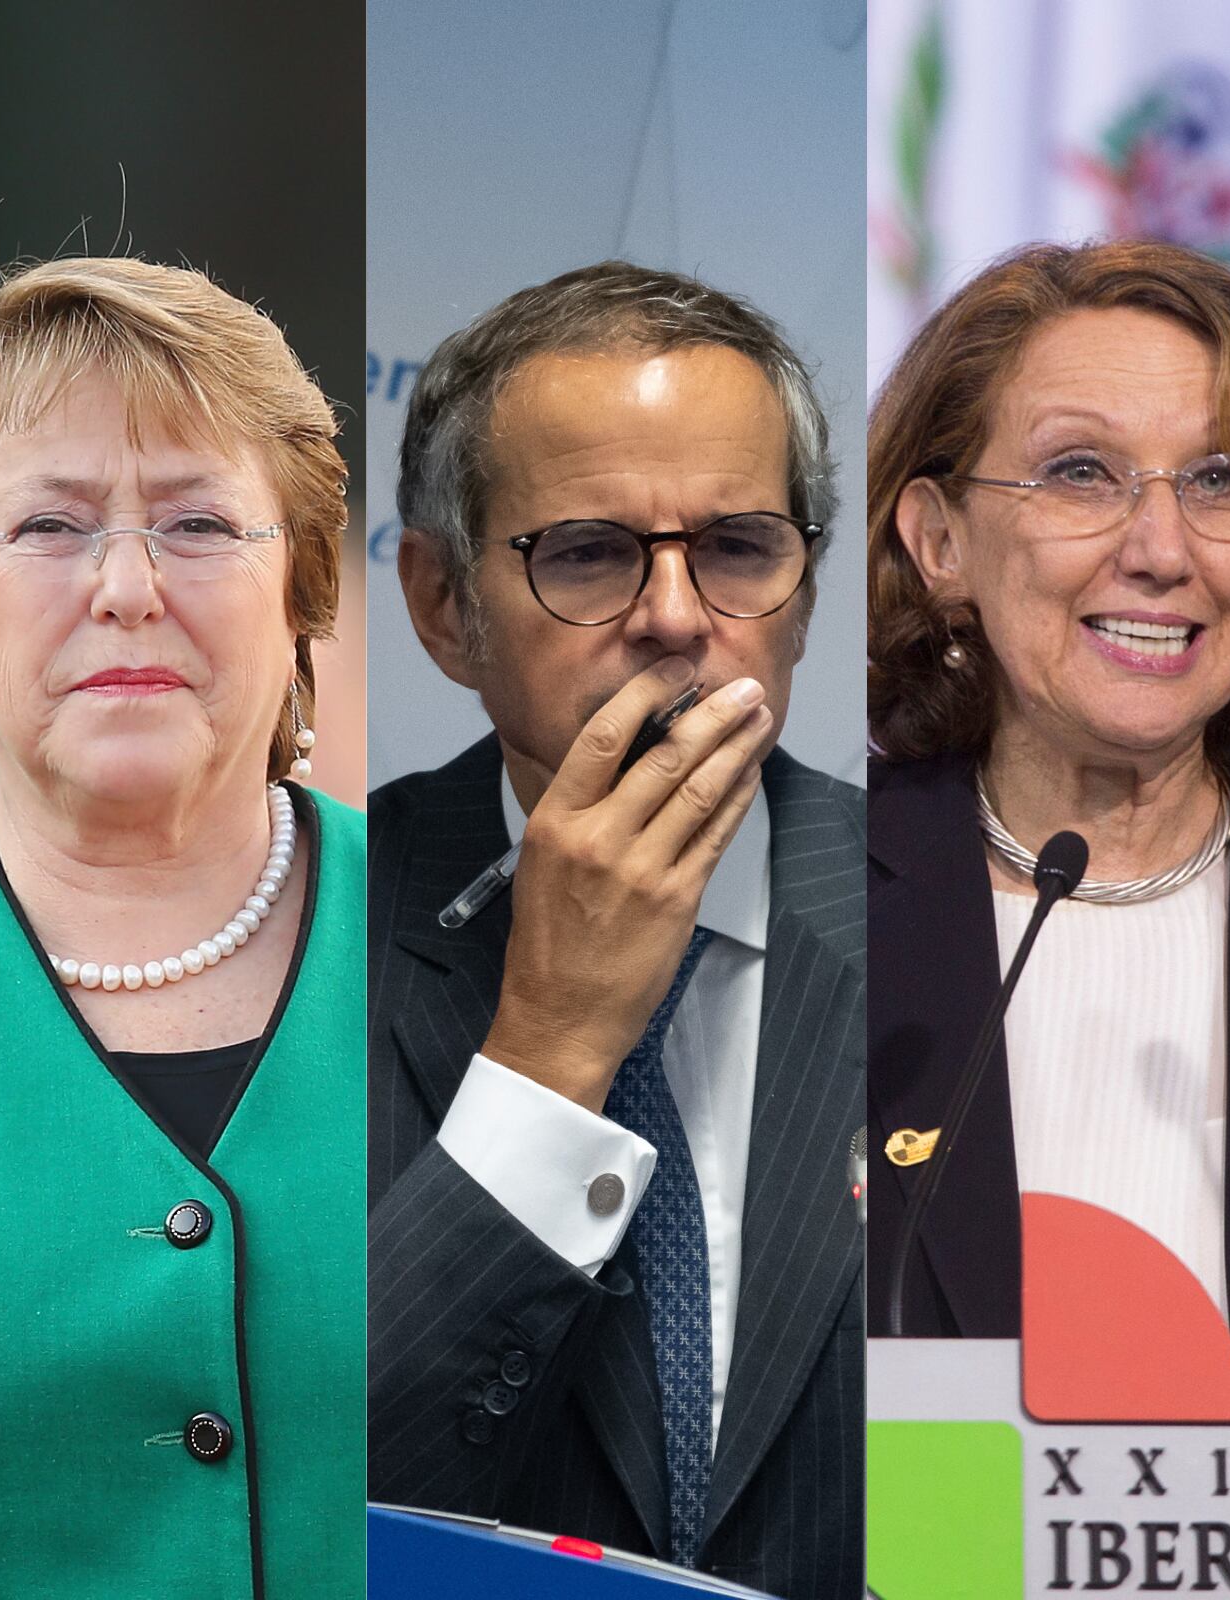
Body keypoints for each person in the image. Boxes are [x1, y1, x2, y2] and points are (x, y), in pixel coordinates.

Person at [0, 258, 363, 1599]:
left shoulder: (486, 953)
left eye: (201, 524)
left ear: (304, 593)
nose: (129, 586)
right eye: (48, 527)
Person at [371, 261, 864, 1600]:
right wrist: (551, 1048)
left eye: (739, 548)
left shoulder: (969, 921)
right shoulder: (299, 929)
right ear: (438, 606)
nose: (675, 615)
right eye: (587, 552)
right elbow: (317, 1511)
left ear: (807, 593)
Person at [867, 239, 1230, 1340]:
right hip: (922, 1521)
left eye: (1217, 481)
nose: (1158, 548)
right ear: (938, 540)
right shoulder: (812, 896)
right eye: (1078, 471)